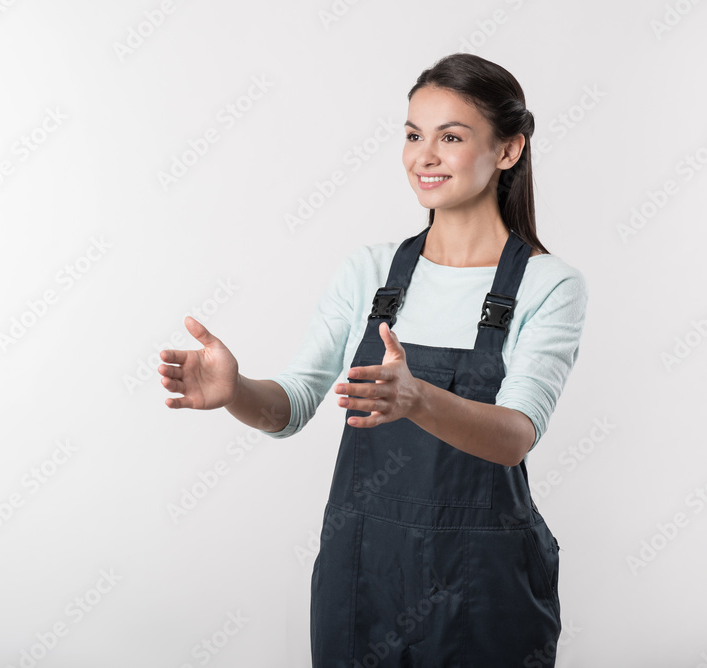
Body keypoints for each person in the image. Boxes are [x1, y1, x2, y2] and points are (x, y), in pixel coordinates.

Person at [158, 52, 588, 667]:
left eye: (452, 137)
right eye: (413, 135)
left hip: (484, 585)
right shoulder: (371, 272)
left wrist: (418, 398)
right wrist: (237, 392)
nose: (424, 156)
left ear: (509, 150)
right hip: (363, 573)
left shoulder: (549, 285)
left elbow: (515, 436)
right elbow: (292, 405)